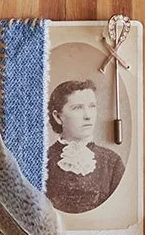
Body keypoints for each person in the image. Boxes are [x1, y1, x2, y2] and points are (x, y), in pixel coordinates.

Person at [45, 79, 124, 214]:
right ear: (58, 117)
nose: (88, 116)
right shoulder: (44, 160)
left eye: (92, 106)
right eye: (78, 108)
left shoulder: (112, 162)